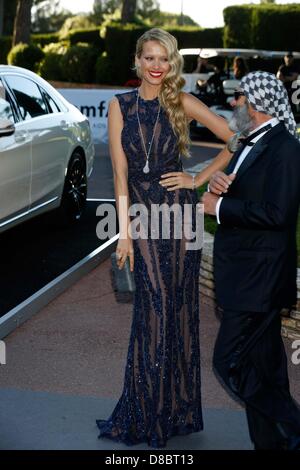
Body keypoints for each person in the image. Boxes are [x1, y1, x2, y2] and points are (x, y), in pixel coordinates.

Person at [96, 28, 233, 448]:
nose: (157, 66)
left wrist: (197, 177)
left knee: (174, 311)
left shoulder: (181, 102)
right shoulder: (119, 106)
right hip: (140, 216)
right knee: (152, 310)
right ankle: (146, 411)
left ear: (171, 64)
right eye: (149, 58)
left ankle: (170, 411)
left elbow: (235, 139)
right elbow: (119, 174)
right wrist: (123, 233)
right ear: (137, 61)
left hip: (180, 217)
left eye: (164, 59)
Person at [202, 71, 300, 450]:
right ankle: (273, 445)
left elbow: (279, 213)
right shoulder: (249, 142)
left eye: (239, 98)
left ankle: (293, 422)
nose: (233, 103)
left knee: (229, 362)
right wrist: (219, 186)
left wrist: (221, 206)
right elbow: (243, 191)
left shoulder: (287, 149)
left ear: (256, 104)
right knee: (267, 369)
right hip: (244, 274)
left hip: (259, 280)